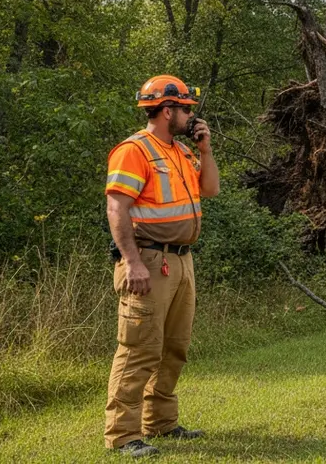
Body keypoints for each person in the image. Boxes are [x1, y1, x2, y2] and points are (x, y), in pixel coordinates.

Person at [103, 75, 219, 458]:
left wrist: (205, 150)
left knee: (174, 348)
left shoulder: (181, 151)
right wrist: (132, 262)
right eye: (186, 109)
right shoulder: (134, 150)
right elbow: (117, 208)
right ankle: (123, 435)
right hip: (148, 260)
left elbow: (211, 189)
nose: (190, 115)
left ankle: (162, 422)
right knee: (139, 349)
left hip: (182, 261)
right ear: (167, 111)